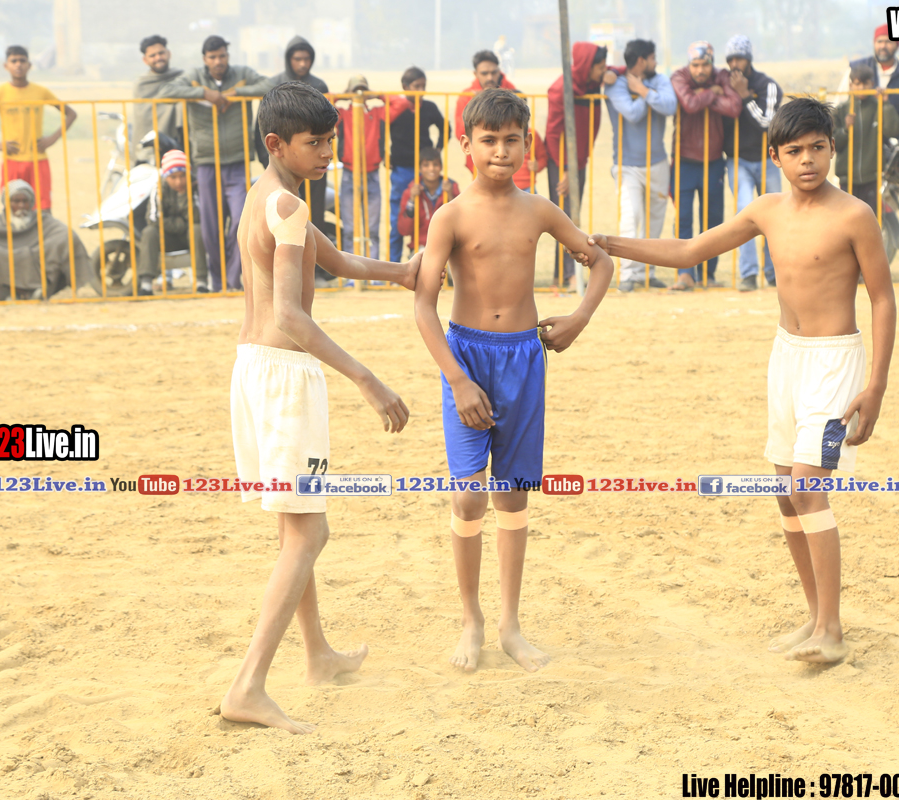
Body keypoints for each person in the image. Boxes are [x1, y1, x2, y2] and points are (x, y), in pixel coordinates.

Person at [575, 97, 896, 664]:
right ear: (775, 157)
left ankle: (832, 630)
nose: (807, 160)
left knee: (807, 487)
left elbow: (883, 298)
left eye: (817, 148)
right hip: (786, 357)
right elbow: (689, 250)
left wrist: (876, 387)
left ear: (832, 149)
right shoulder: (766, 210)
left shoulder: (854, 215)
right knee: (785, 494)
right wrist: (611, 244)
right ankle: (814, 616)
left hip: (834, 365)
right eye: (794, 151)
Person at [220, 81, 419, 734]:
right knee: (310, 534)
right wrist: (367, 379)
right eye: (317, 143)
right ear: (278, 143)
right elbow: (290, 314)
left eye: (331, 140)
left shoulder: (269, 198)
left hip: (255, 371)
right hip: (283, 377)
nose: (329, 152)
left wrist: (401, 272)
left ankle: (318, 656)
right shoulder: (287, 205)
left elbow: (332, 260)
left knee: (294, 527)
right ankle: (248, 685)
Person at [413, 89, 614, 673]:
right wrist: (457, 380)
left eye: (511, 140)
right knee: (468, 493)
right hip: (467, 360)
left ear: (527, 143)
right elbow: (424, 306)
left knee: (513, 492)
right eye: (488, 140)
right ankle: (471, 619)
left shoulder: (541, 210)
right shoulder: (449, 216)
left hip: (525, 358)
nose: (500, 151)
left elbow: (600, 261)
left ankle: (509, 625)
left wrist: (579, 318)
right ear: (465, 145)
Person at [161, 35, 268, 292]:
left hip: (237, 161)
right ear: (205, 59)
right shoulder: (194, 77)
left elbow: (270, 85)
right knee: (211, 227)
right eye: (213, 57)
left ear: (227, 56)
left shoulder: (242, 74)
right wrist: (204, 94)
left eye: (222, 56)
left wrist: (237, 93)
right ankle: (217, 281)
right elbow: (167, 92)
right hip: (206, 162)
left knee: (241, 222)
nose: (218, 61)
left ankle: (233, 279)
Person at [257, 36, 332, 286]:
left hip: (311, 168)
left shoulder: (319, 85)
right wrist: (270, 162)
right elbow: (261, 129)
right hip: (287, 165)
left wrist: (403, 273)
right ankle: (296, 271)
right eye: (297, 59)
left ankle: (315, 270)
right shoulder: (274, 86)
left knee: (315, 214)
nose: (302, 63)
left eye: (306, 59)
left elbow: (327, 126)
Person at [603, 38, 676, 293]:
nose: (656, 62)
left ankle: (648, 272)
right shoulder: (616, 84)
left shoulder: (659, 80)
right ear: (642, 61)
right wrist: (647, 94)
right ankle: (628, 274)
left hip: (658, 162)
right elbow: (632, 113)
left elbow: (670, 105)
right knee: (630, 217)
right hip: (627, 165)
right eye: (653, 58)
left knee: (655, 221)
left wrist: (644, 90)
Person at [670, 41, 742, 289]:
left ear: (712, 63)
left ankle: (707, 275)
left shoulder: (722, 76)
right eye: (695, 65)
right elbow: (689, 104)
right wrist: (712, 93)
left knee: (713, 221)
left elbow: (734, 106)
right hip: (684, 160)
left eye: (704, 65)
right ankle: (685, 274)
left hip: (713, 161)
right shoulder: (679, 77)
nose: (700, 70)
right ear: (689, 64)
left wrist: (703, 95)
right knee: (683, 218)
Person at [0, 45, 78, 211]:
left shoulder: (41, 91)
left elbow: (71, 114)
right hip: (12, 160)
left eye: (22, 61)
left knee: (42, 209)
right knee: (11, 208)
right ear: (6, 66)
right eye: (14, 61)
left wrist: (52, 138)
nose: (18, 65)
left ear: (29, 65)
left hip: (38, 159)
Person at [0, 180, 96, 300]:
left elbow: (64, 234)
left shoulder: (43, 220)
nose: (21, 205)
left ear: (31, 203)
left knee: (64, 241)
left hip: (39, 267)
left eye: (25, 201)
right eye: (16, 201)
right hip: (2, 268)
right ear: (7, 203)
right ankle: (2, 293)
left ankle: (39, 291)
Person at [545, 43, 608, 287]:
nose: (604, 72)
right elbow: (552, 134)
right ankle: (570, 275)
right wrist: (564, 169)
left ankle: (561, 276)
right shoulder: (562, 89)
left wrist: (614, 72)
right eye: (600, 67)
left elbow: (616, 69)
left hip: (578, 161)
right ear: (587, 66)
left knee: (570, 218)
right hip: (562, 163)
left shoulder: (591, 82)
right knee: (564, 220)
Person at [724, 34, 783, 291]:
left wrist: (745, 95)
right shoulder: (724, 84)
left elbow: (766, 122)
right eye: (730, 59)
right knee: (745, 213)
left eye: (739, 58)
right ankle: (748, 273)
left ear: (748, 59)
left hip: (768, 160)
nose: (734, 64)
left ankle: (774, 272)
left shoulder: (767, 85)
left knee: (774, 216)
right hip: (738, 160)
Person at [334, 75, 409, 257]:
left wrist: (377, 95)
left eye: (363, 90)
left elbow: (401, 103)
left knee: (372, 230)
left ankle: (372, 269)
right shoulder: (341, 115)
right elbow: (322, 105)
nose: (359, 94)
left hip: (372, 175)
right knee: (350, 230)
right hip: (349, 174)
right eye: (355, 91)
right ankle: (351, 270)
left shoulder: (377, 114)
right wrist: (342, 96)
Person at [454, 50, 547, 194]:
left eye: (494, 72)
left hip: (518, 177)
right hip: (482, 163)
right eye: (485, 73)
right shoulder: (467, 97)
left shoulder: (511, 93)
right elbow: (461, 131)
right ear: (476, 74)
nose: (490, 77)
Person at [388, 67, 447, 262]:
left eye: (423, 86)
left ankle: (426, 258)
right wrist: (385, 154)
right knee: (398, 217)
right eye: (416, 86)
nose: (421, 90)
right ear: (405, 87)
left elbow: (445, 128)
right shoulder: (396, 108)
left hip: (425, 168)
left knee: (428, 213)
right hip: (401, 168)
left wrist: (437, 150)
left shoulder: (428, 107)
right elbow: (381, 128)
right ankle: (393, 264)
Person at [832, 65, 899, 216]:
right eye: (857, 84)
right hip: (847, 178)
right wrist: (845, 129)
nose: (861, 88)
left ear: (872, 84)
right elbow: (834, 145)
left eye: (865, 83)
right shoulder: (841, 110)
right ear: (851, 86)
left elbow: (893, 131)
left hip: (872, 177)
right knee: (848, 218)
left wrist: (886, 104)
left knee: (869, 218)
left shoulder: (879, 107)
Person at [138, 149, 208, 295]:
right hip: (167, 238)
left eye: (182, 176)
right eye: (173, 177)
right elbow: (153, 219)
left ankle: (201, 282)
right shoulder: (159, 188)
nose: (178, 182)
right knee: (149, 232)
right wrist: (181, 224)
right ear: (166, 176)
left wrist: (183, 195)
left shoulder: (196, 185)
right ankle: (146, 284)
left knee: (197, 229)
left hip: (188, 237)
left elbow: (198, 217)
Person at [835, 25, 899, 126]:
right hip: (857, 134)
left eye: (888, 42)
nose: (883, 46)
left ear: (897, 45)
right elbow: (840, 100)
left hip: (892, 133)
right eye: (879, 41)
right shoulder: (856, 67)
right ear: (874, 43)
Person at [132, 35, 184, 166]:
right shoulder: (141, 85)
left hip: (179, 146)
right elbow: (143, 119)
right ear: (145, 60)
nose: (158, 58)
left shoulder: (181, 78)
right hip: (150, 150)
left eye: (161, 53)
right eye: (152, 55)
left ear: (169, 54)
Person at [397, 147, 460, 252]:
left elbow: (461, 223)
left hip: (447, 246)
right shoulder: (410, 191)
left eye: (435, 164)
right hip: (421, 246)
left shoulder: (451, 187)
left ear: (441, 167)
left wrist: (450, 196)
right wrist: (412, 200)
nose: (431, 169)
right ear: (419, 168)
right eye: (426, 165)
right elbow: (404, 230)